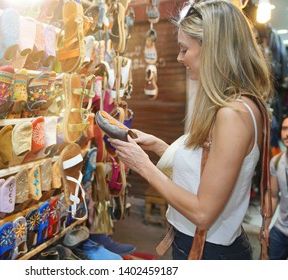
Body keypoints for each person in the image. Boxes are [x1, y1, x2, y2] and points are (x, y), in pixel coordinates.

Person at [108, 0, 272, 260]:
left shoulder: (232, 115)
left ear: (212, 49)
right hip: (205, 246)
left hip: (209, 252)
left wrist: (144, 167)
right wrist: (161, 147)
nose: (179, 58)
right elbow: (210, 169)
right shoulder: (239, 104)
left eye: (184, 49)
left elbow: (203, 213)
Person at [268, 111, 288, 260]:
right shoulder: (276, 161)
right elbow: (273, 196)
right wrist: (265, 225)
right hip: (281, 230)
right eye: (285, 128)